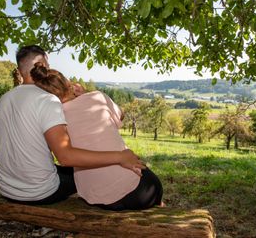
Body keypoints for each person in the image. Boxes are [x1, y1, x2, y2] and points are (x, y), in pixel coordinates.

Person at [0, 45, 145, 206]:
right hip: (38, 192)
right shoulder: (47, 100)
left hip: (6, 187)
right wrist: (120, 157)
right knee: (89, 174)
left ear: (19, 69)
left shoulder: (4, 98)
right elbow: (66, 157)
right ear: (44, 67)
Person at [29, 62, 163, 210]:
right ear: (68, 84)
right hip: (139, 191)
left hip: (94, 196)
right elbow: (121, 116)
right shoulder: (97, 97)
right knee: (147, 177)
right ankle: (159, 204)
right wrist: (86, 94)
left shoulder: (52, 116)